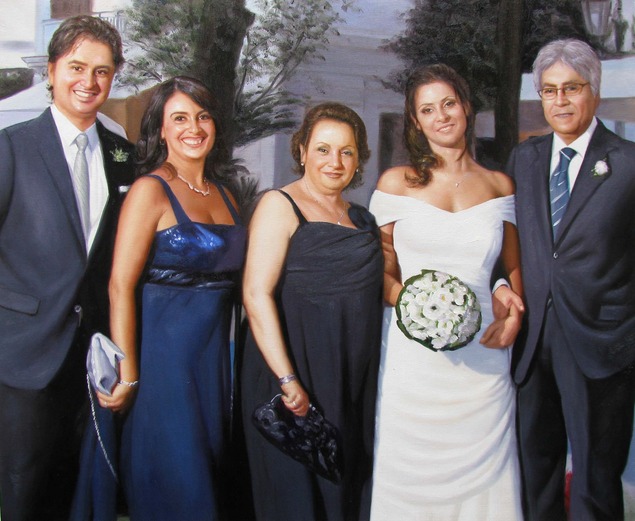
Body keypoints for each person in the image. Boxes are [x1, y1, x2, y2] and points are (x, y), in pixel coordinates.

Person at [369, 63, 524, 520]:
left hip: (484, 356)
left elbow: (511, 269)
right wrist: (415, 306)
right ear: (415, 121)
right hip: (413, 356)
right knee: (410, 473)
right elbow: (382, 270)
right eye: (427, 110)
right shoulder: (395, 183)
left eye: (449, 104)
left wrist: (513, 313)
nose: (441, 117)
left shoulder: (499, 185)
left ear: (467, 107)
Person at [0, 15, 134, 521]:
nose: (89, 81)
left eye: (102, 71)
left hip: (92, 359)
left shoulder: (122, 154)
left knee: (75, 494)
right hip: (21, 358)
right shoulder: (10, 147)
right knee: (23, 494)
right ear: (52, 70)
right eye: (77, 67)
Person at [104, 76, 246, 520]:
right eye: (179, 118)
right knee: (180, 484)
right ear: (161, 130)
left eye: (202, 117)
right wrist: (128, 372)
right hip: (164, 366)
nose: (194, 128)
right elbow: (119, 285)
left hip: (215, 365)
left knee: (210, 478)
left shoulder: (227, 194)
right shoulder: (150, 190)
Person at [507, 39, 635, 521]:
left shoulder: (629, 163)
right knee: (535, 477)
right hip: (533, 344)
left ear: (593, 91)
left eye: (571, 88)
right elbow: (508, 244)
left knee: (595, 484)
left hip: (601, 346)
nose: (559, 101)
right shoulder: (525, 159)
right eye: (549, 90)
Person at [240, 102, 384, 521]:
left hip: (349, 378)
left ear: (358, 159)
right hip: (293, 372)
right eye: (323, 149)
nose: (334, 162)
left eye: (346, 151)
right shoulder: (279, 204)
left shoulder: (364, 219)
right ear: (302, 151)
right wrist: (287, 379)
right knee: (296, 499)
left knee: (343, 496)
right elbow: (255, 294)